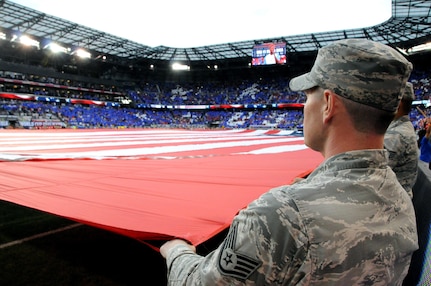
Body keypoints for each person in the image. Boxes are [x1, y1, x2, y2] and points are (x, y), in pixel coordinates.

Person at [159, 39, 418, 285]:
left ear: (328, 103)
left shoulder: (283, 213)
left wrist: (177, 253)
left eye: (307, 96)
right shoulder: (401, 198)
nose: (304, 106)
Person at [384, 82, 418, 198]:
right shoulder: (402, 127)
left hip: (392, 204)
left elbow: (374, 172)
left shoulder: (396, 135)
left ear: (398, 104)